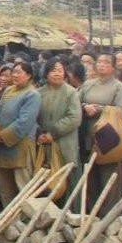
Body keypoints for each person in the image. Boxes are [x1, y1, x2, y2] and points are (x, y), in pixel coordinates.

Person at [77, 53, 122, 213]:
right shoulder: (88, 84)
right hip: (88, 135)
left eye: (106, 62)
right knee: (91, 175)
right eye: (99, 61)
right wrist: (85, 107)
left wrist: (99, 109)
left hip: (109, 137)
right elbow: (76, 102)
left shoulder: (118, 87)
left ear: (113, 67)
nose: (101, 64)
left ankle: (109, 213)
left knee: (109, 176)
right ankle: (91, 212)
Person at [0, 62, 40, 203]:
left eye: (19, 72)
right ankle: (8, 220)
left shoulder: (32, 94)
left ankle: (25, 221)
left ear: (29, 75)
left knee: (22, 187)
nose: (15, 75)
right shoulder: (8, 91)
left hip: (20, 146)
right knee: (5, 187)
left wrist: (4, 135)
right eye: (14, 72)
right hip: (2, 147)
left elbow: (24, 122)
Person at [36, 57, 81, 203]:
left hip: (64, 143)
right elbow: (33, 116)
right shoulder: (39, 93)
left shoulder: (71, 92)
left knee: (67, 179)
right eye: (53, 70)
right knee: (44, 179)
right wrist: (40, 133)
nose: (57, 74)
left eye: (60, 70)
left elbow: (74, 118)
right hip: (43, 143)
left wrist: (53, 133)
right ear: (46, 73)